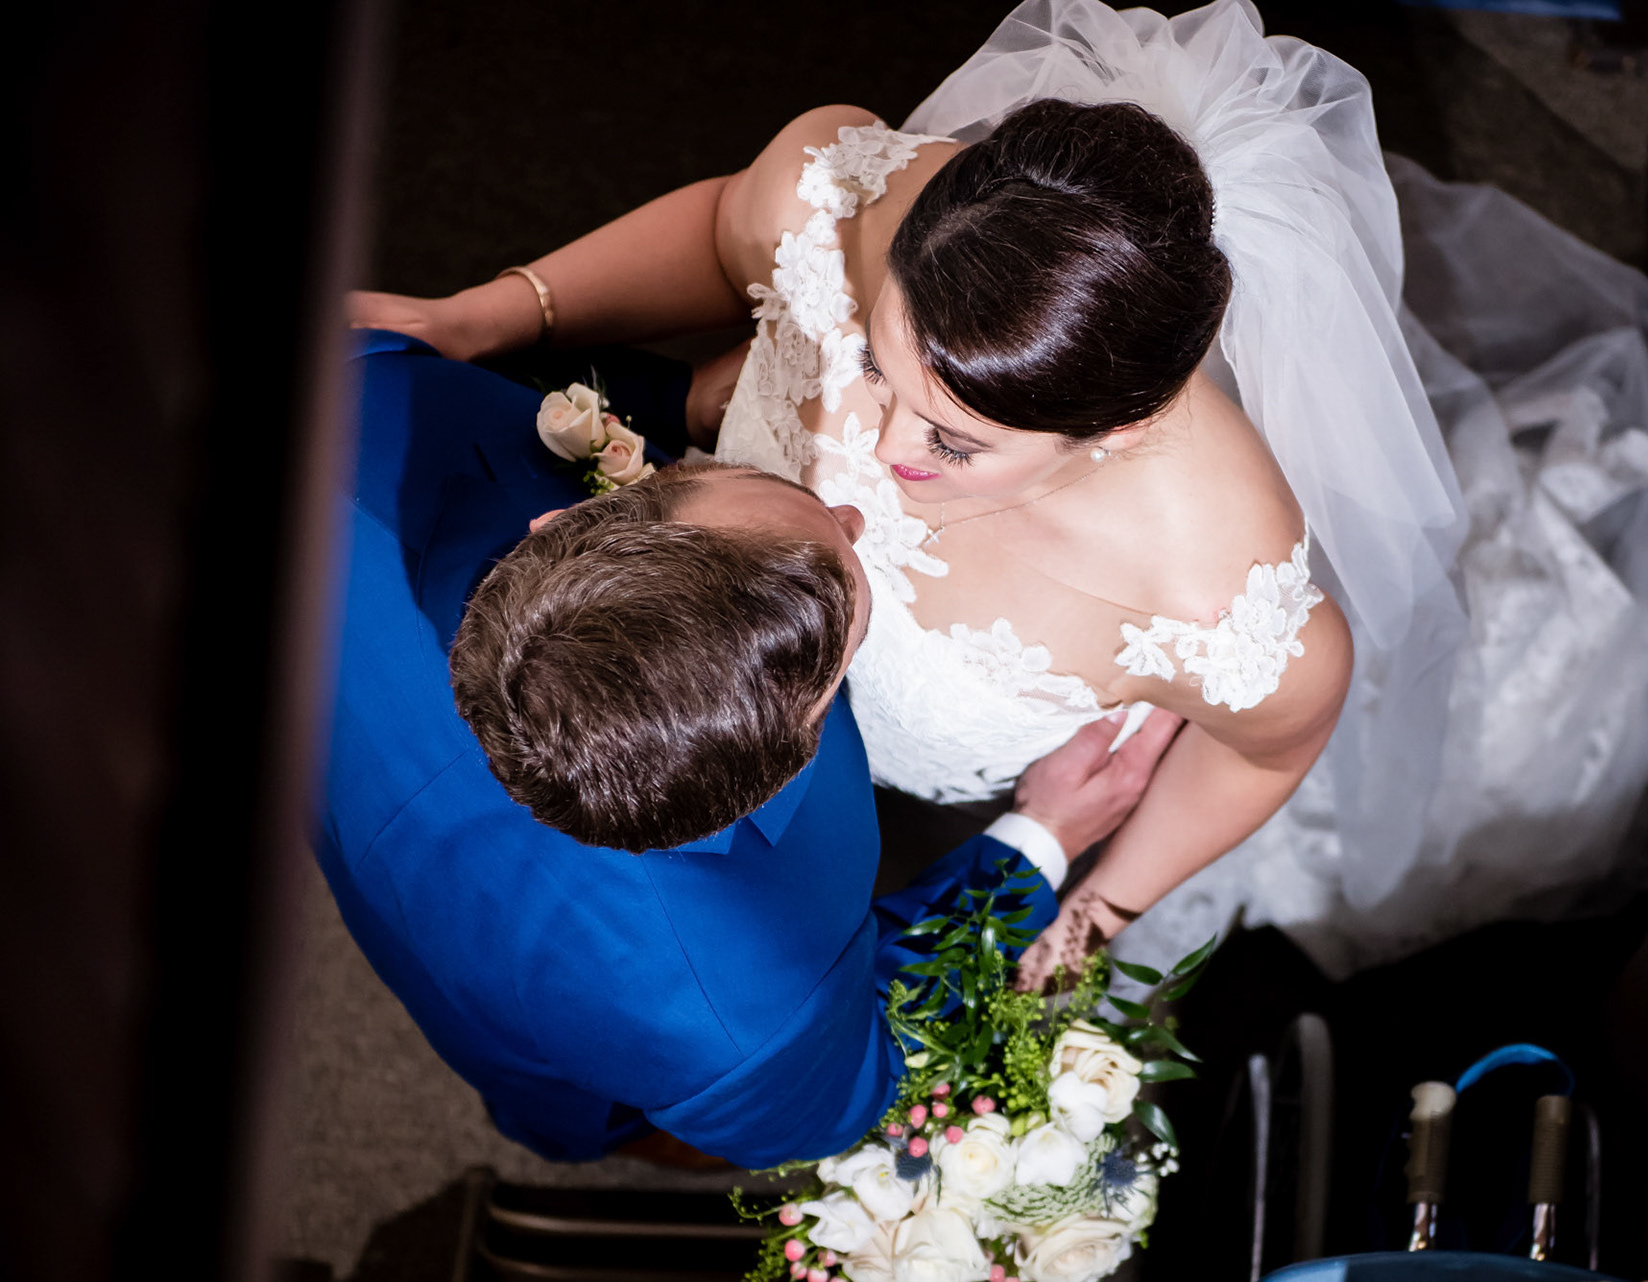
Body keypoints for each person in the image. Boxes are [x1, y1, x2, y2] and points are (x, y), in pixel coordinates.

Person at [352, 0, 1648, 980]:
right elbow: (730, 226)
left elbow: (1263, 752)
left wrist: (1088, 915)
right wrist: (495, 312)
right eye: (878, 358)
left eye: (951, 442)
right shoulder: (839, 191)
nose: (857, 447)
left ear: (1116, 430)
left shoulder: (1229, 598)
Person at [318, 327, 1180, 1165]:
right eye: (846, 647)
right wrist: (1041, 840)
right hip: (582, 1027)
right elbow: (866, 1061)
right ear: (795, 745)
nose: (852, 513)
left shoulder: (355, 409)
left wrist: (678, 400)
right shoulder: (738, 1026)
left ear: (560, 522)